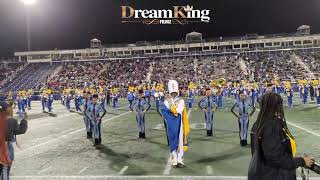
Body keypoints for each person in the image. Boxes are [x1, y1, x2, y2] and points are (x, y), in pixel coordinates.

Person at [248, 93, 315, 180]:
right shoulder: (272, 125)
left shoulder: (258, 124)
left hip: (261, 172)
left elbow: (268, 151)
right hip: (273, 175)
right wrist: (302, 161)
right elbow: (275, 158)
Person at [160, 80, 190, 168]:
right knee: (172, 140)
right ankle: (174, 159)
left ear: (177, 92)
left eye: (174, 92)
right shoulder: (166, 102)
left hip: (180, 123)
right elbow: (164, 111)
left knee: (180, 141)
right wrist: (172, 110)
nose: (173, 94)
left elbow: (179, 111)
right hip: (170, 124)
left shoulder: (181, 101)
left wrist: (172, 110)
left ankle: (180, 160)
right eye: (172, 92)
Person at [0, 101, 28, 180]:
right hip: (5, 147)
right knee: (5, 169)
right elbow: (21, 130)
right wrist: (24, 120)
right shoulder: (11, 121)